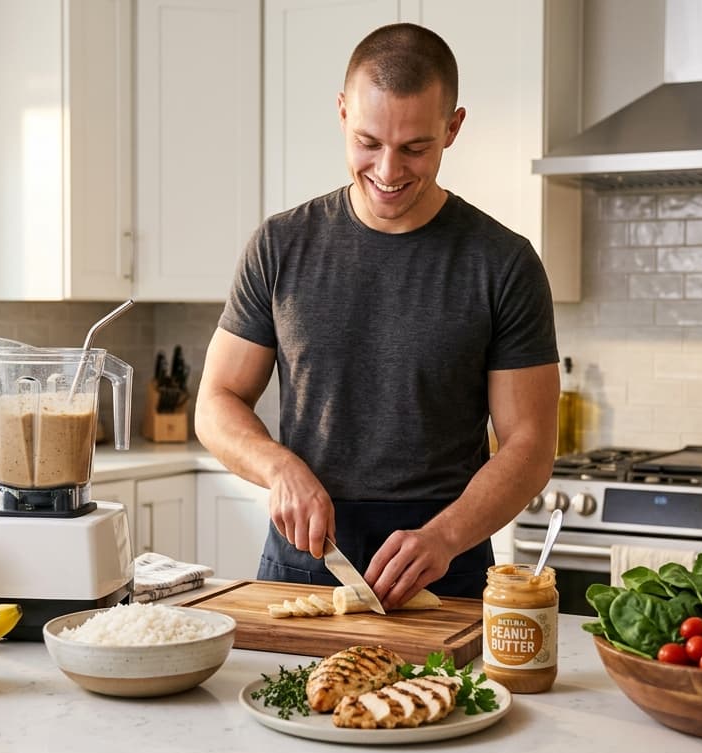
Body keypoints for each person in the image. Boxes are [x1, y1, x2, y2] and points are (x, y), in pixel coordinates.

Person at [195, 22, 558, 609]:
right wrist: (279, 469)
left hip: (444, 561)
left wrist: (445, 536)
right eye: (369, 142)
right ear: (342, 112)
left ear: (453, 127)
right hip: (305, 555)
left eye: (415, 147)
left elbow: (530, 444)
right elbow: (216, 403)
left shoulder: (502, 262)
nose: (388, 171)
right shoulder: (280, 245)